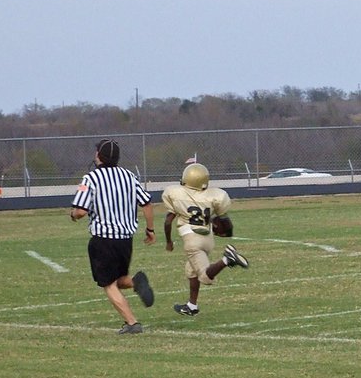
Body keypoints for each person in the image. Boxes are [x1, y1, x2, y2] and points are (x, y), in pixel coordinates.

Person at [70, 139, 156, 334]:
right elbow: (147, 204)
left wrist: (73, 215)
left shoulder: (90, 178)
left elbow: (81, 211)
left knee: (108, 284)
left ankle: (132, 323)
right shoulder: (129, 176)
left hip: (103, 238)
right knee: (119, 279)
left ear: (99, 156)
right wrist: (150, 230)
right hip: (126, 239)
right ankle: (136, 282)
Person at [162, 163, 248, 317]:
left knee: (205, 277)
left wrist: (168, 242)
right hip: (207, 239)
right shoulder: (213, 196)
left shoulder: (177, 195)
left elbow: (168, 222)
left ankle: (227, 260)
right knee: (191, 271)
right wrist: (227, 232)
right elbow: (225, 221)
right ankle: (192, 306)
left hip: (192, 240)